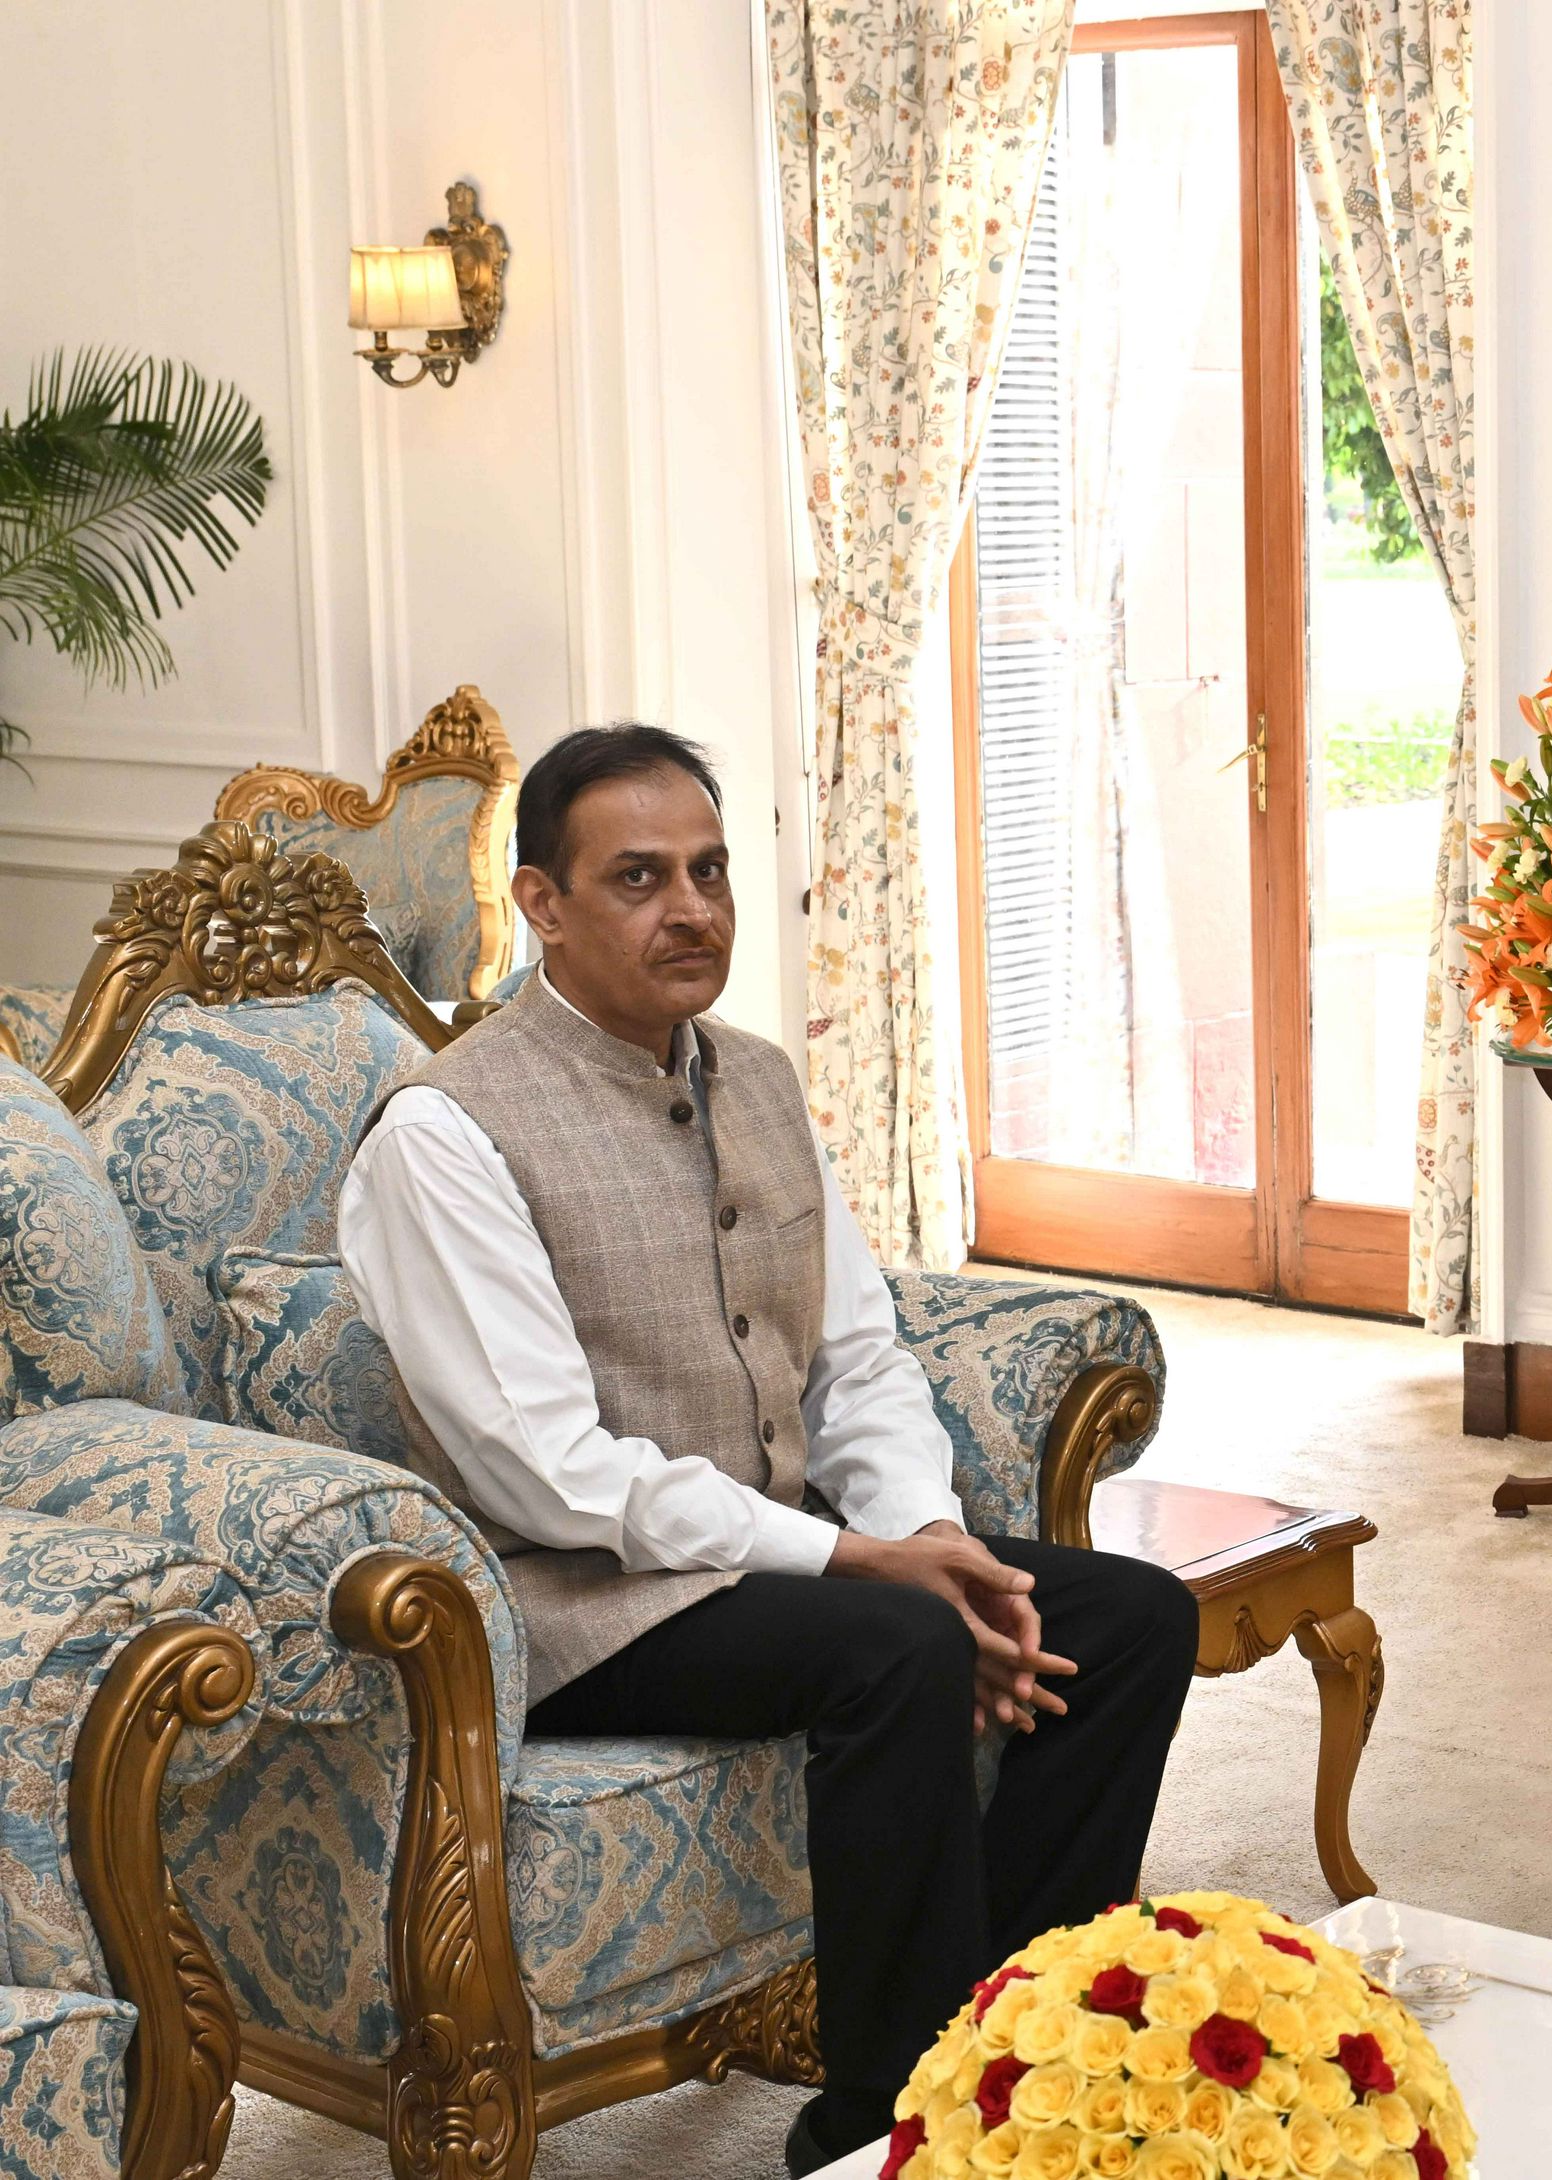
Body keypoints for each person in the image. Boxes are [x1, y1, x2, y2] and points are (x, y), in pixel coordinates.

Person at [337, 723, 1200, 2174]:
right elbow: (549, 1471)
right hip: (578, 1603)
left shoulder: (759, 1077)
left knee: (1126, 1618)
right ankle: (880, 2126)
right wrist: (859, 1564)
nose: (691, 909)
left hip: (774, 1561)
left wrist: (931, 1536)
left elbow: (854, 1355)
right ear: (543, 904)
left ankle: (1019, 2062)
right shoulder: (443, 1132)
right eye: (638, 878)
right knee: (898, 1644)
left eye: (710, 870)